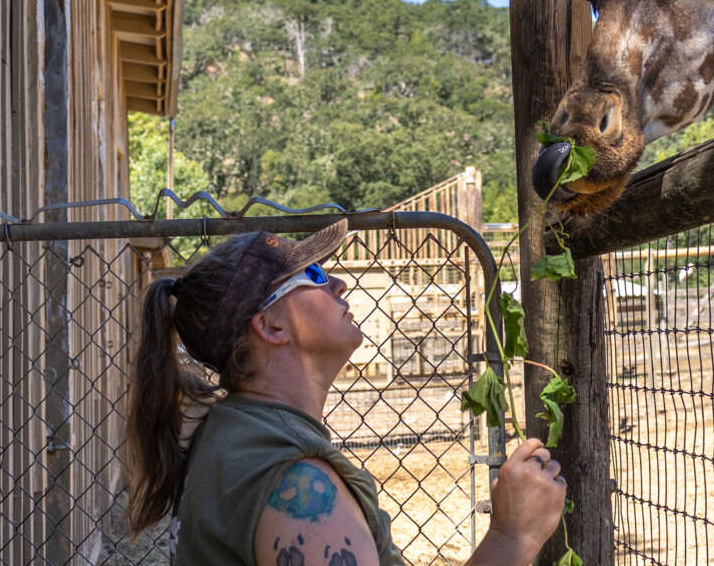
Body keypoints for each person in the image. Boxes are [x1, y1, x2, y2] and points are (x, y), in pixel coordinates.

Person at [126, 221, 566, 565]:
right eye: (313, 274)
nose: (339, 283)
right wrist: (512, 539)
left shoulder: (236, 434)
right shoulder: (295, 481)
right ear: (271, 326)